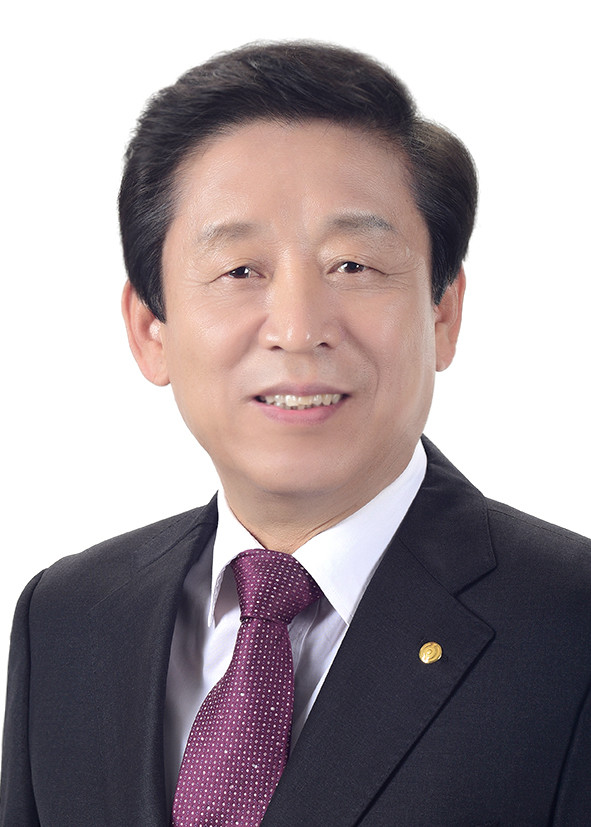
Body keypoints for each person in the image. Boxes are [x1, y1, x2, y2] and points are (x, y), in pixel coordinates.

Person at [1, 41, 590, 827]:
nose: (298, 326)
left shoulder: (570, 625)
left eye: (353, 265)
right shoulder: (67, 617)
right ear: (150, 331)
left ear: (442, 314)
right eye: (240, 270)